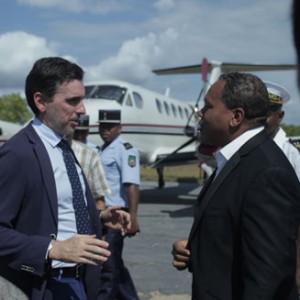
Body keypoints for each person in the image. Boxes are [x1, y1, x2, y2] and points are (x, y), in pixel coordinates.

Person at [0, 57, 131, 300]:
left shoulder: (63, 146)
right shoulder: (18, 154)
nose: (82, 109)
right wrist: (54, 249)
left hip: (79, 282)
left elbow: (57, 208)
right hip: (45, 286)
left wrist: (101, 217)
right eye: (73, 101)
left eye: (81, 100)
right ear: (41, 101)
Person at [172, 72, 300, 300]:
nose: (201, 113)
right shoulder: (235, 160)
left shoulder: (267, 173)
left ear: (236, 116)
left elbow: (267, 279)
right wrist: (196, 252)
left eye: (208, 106)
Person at [98, 109, 140, 300]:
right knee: (113, 262)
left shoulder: (126, 149)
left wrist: (133, 217)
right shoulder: (101, 149)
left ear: (120, 128)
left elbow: (131, 185)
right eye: (102, 126)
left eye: (110, 126)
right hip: (104, 213)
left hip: (117, 213)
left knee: (108, 265)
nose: (105, 130)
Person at [71, 114, 110, 210]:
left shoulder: (94, 151)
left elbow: (99, 195)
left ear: (88, 131)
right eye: (77, 132)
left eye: (83, 132)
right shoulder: (64, 148)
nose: (80, 135)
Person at [264, 81, 300, 180]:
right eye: (257, 113)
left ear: (280, 116)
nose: (260, 119)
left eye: (266, 114)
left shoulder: (292, 153)